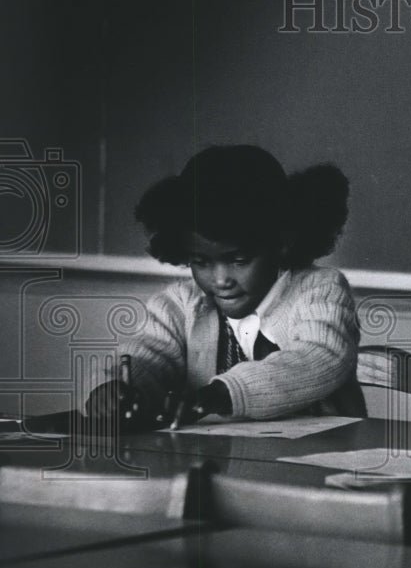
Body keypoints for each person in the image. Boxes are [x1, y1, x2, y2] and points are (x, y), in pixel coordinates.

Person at [86, 145, 366, 430]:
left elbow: (319, 356)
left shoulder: (319, 290)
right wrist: (111, 387)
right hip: (220, 461)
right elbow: (147, 353)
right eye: (200, 261)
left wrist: (220, 394)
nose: (220, 280)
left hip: (322, 461)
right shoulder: (181, 305)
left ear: (283, 241)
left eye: (239, 259)